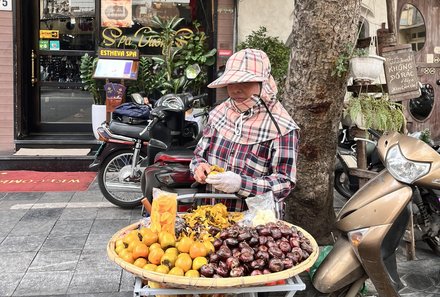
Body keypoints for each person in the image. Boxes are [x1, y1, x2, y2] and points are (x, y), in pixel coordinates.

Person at [190, 48, 299, 219]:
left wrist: (241, 184)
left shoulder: (281, 127)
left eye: (246, 82)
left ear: (264, 83)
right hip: (212, 215)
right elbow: (198, 156)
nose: (236, 90)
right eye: (231, 82)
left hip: (256, 225)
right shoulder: (219, 114)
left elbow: (284, 183)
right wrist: (198, 167)